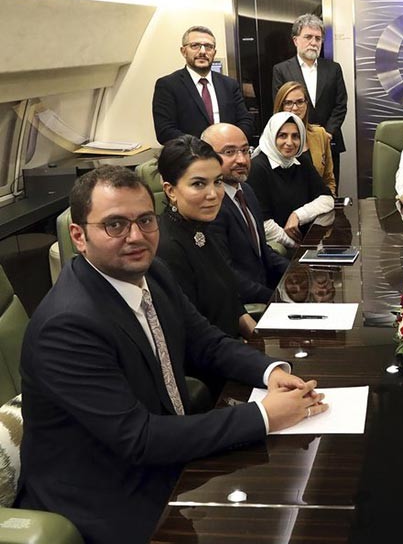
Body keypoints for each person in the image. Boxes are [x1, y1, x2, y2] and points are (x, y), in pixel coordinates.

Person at [17, 165, 327, 544]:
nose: (136, 236)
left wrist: (270, 371)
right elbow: (138, 438)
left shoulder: (154, 273)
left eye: (145, 220)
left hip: (163, 453)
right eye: (115, 225)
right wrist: (264, 415)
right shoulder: (67, 326)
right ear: (79, 236)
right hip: (107, 489)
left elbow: (206, 343)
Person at [155, 135, 256, 341]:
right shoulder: (166, 248)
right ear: (170, 190)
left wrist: (259, 337)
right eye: (199, 184)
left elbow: (232, 304)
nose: (213, 194)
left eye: (217, 182)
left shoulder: (202, 228)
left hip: (232, 348)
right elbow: (194, 336)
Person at [203, 123, 290, 305]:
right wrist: (275, 300)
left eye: (245, 150)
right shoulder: (210, 204)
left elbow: (261, 251)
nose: (242, 160)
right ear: (206, 157)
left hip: (266, 291)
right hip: (243, 306)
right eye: (229, 152)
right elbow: (226, 276)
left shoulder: (247, 191)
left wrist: (297, 270)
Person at [272, 13, 348, 187]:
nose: (314, 42)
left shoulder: (333, 69)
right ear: (295, 40)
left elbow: (340, 105)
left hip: (329, 142)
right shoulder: (281, 70)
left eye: (318, 38)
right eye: (308, 37)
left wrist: (327, 134)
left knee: (328, 188)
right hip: (294, 144)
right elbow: (279, 107)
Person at [152, 26, 254, 144]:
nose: (202, 51)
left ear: (214, 52)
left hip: (228, 156)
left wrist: (231, 144)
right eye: (195, 46)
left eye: (208, 47)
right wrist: (204, 148)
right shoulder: (168, 85)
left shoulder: (229, 84)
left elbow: (245, 121)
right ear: (183, 51)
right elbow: (165, 131)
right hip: (190, 158)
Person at [248, 112, 334, 249]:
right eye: (282, 135)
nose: (290, 142)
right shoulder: (257, 168)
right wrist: (297, 247)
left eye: (295, 136)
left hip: (306, 243)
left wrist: (298, 215)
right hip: (279, 248)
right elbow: (263, 224)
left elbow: (327, 199)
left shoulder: (301, 162)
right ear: (271, 136)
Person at [273, 80, 337, 195]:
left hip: (319, 206)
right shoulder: (271, 139)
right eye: (288, 103)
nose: (295, 108)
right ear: (280, 106)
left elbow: (328, 180)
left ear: (306, 104)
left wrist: (328, 202)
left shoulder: (320, 134)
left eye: (300, 102)